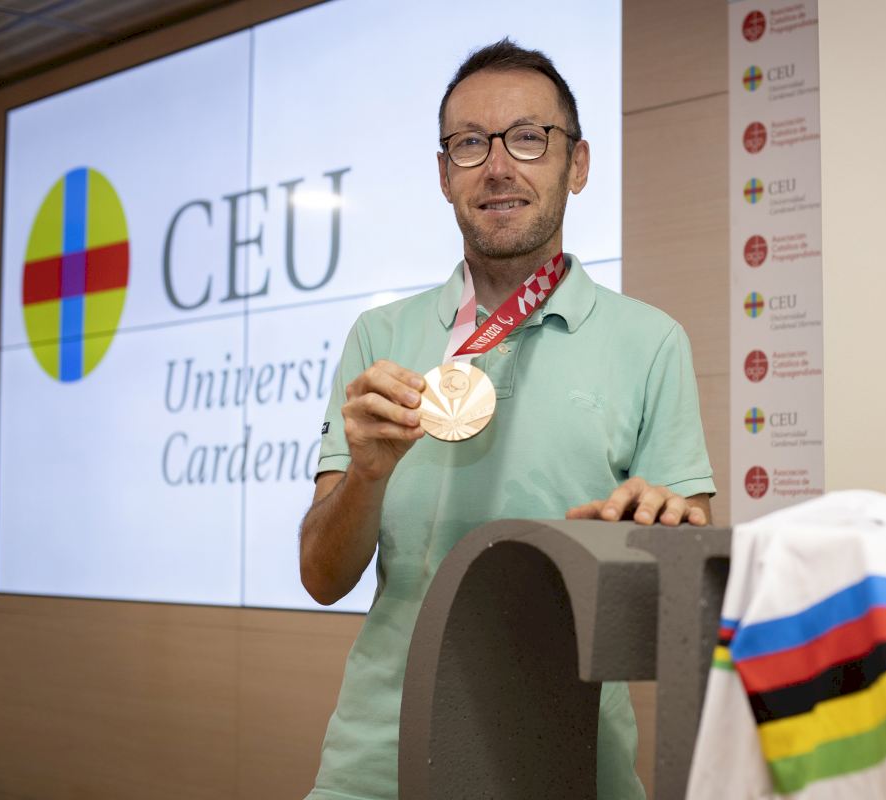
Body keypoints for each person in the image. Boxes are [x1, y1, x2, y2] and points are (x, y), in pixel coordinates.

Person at [300, 38, 715, 800]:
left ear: (577, 164)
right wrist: (366, 475)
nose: (497, 167)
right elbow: (323, 578)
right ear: (443, 174)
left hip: (572, 765)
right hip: (378, 767)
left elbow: (686, 605)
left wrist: (657, 538)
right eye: (469, 144)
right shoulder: (379, 339)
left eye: (528, 138)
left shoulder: (652, 342)